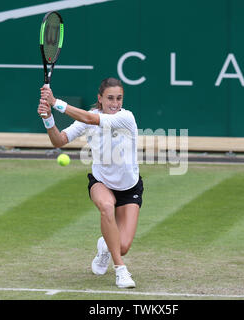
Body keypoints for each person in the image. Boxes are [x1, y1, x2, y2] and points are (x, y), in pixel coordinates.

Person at [37, 78, 143, 289]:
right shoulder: (87, 119)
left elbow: (91, 119)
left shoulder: (126, 117)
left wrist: (55, 102)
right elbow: (59, 141)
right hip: (101, 181)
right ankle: (121, 271)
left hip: (129, 186)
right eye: (110, 98)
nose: (115, 103)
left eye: (119, 98)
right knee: (106, 206)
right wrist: (48, 118)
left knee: (122, 246)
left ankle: (105, 246)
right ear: (100, 99)